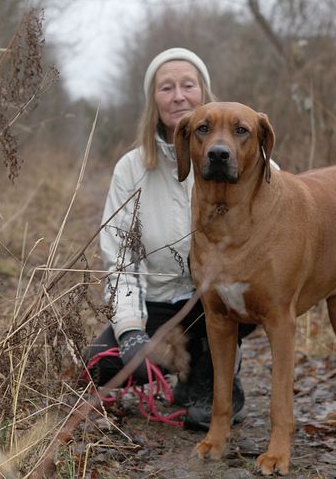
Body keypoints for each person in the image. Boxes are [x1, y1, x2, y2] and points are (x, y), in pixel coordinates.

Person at [83, 48, 256, 429]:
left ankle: (219, 375)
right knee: (102, 362)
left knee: (202, 416)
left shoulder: (240, 152)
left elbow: (286, 204)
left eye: (188, 85)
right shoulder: (131, 169)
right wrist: (130, 330)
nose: (178, 95)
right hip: (159, 305)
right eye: (166, 87)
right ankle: (191, 372)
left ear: (203, 92)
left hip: (220, 298)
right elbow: (121, 259)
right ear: (154, 101)